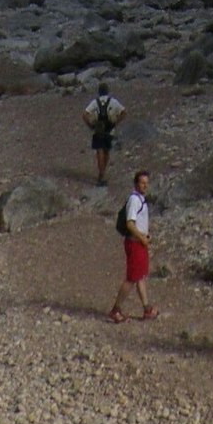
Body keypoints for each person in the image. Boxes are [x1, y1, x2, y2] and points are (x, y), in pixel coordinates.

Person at [107, 170, 158, 323]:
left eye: (146, 183)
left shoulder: (139, 199)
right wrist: (142, 237)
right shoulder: (135, 200)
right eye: (142, 183)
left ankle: (146, 308)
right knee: (132, 278)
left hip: (139, 242)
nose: (145, 186)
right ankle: (116, 309)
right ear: (136, 183)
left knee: (139, 276)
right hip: (135, 243)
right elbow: (130, 223)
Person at [83, 81, 125, 185]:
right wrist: (116, 122)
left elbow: (85, 114)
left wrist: (90, 125)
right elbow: (124, 112)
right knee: (106, 152)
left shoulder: (94, 102)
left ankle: (101, 174)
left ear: (99, 92)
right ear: (107, 91)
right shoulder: (113, 102)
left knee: (99, 152)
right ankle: (102, 173)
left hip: (98, 129)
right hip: (109, 129)